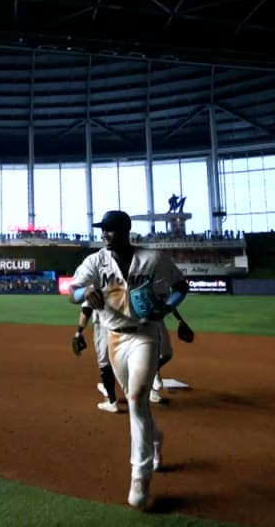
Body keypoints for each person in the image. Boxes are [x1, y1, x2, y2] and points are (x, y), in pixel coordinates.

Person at [67, 210, 190, 509]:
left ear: (125, 230)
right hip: (114, 338)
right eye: (103, 230)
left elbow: (181, 286)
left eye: (110, 229)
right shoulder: (96, 261)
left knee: (136, 399)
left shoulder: (153, 258)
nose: (104, 234)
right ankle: (156, 438)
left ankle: (140, 476)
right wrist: (86, 290)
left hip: (145, 334)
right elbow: (71, 291)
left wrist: (167, 307)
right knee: (139, 406)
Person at [74, 301, 120, 413]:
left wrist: (78, 333)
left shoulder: (95, 285)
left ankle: (111, 402)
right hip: (122, 323)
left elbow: (86, 310)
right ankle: (134, 394)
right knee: (121, 358)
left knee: (104, 362)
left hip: (103, 324)